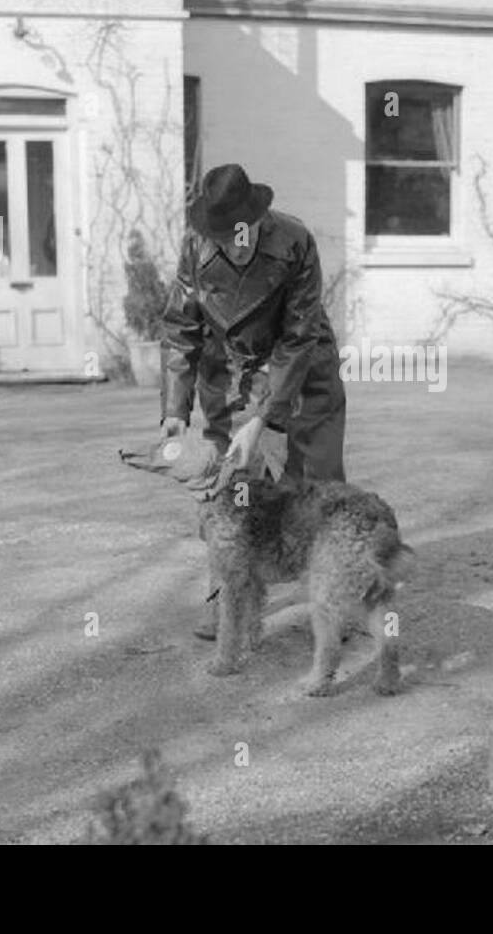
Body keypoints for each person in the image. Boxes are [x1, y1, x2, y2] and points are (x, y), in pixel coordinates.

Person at [158, 163, 347, 639]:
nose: (230, 243)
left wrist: (265, 420)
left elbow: (298, 335)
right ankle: (227, 601)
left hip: (302, 370)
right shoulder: (194, 246)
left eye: (238, 233)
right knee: (226, 490)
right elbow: (181, 330)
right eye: (220, 236)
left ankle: (333, 603)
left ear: (258, 220)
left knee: (314, 487)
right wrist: (175, 411)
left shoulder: (295, 240)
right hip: (231, 370)